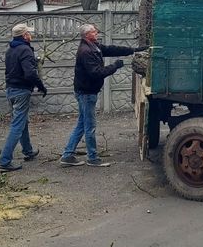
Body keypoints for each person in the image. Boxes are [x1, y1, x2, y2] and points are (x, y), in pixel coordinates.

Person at [59, 24, 146, 167]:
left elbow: (111, 49)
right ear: (87, 35)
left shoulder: (93, 46)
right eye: (94, 31)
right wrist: (115, 66)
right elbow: (96, 73)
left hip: (86, 92)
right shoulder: (86, 51)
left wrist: (133, 50)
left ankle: (67, 155)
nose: (97, 33)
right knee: (90, 126)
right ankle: (92, 158)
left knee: (82, 124)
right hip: (86, 93)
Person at [0, 23, 45, 172]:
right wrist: (41, 86)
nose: (30, 35)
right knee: (17, 125)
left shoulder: (10, 50)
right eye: (28, 33)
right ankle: (5, 161)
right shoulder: (25, 50)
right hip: (21, 91)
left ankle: (28, 151)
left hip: (11, 89)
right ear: (24, 36)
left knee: (22, 121)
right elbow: (30, 73)